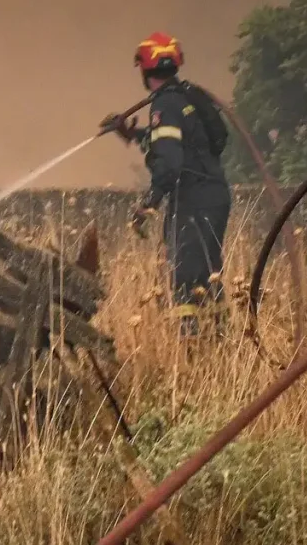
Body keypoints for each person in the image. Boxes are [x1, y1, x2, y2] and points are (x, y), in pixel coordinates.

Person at [100, 31, 233, 339]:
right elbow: (176, 145)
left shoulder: (166, 106)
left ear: (146, 72)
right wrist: (132, 134)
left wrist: (149, 202)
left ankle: (193, 350)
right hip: (213, 196)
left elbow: (170, 163)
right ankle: (222, 346)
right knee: (208, 276)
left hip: (193, 199)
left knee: (185, 280)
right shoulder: (185, 98)